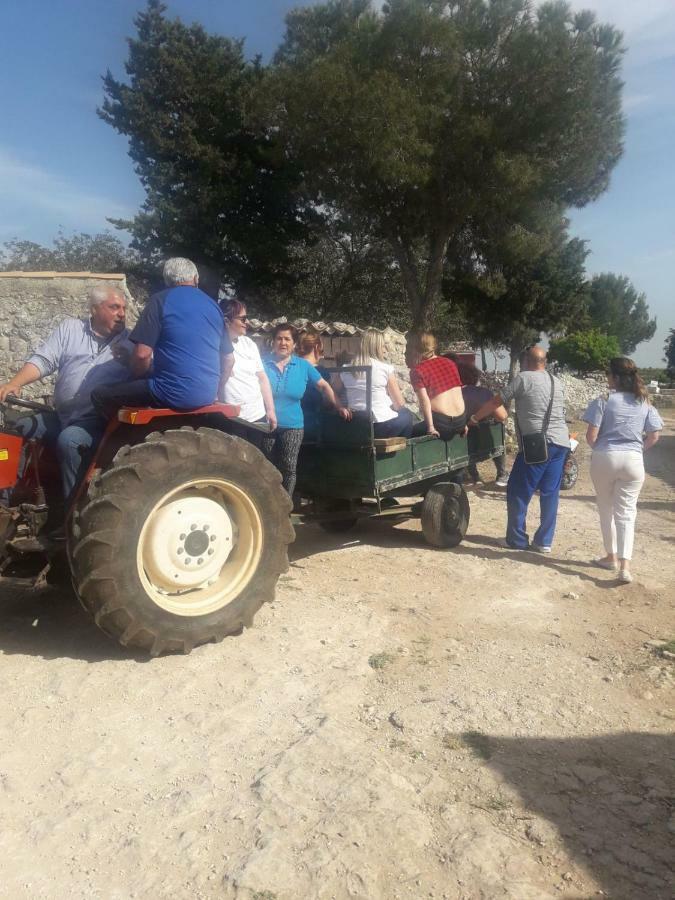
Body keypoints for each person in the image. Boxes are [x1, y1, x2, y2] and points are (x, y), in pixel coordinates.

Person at [0, 286, 131, 500]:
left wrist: (132, 362)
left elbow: (144, 372)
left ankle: (72, 516)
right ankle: (6, 502)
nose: (122, 313)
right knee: (17, 429)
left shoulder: (131, 343)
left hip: (98, 423)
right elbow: (44, 360)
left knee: (69, 440)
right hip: (63, 416)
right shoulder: (70, 329)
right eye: (115, 307)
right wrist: (15, 382)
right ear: (95, 309)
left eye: (123, 308)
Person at [91, 257, 234, 418]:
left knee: (100, 395)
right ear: (195, 279)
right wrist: (215, 390)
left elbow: (142, 354)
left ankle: (114, 441)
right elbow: (229, 360)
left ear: (167, 280)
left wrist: (133, 377)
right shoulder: (213, 306)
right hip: (207, 395)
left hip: (169, 393)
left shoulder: (160, 300)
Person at [470, 346, 570, 552]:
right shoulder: (556, 381)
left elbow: (496, 401)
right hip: (561, 442)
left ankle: (516, 539)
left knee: (518, 489)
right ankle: (544, 541)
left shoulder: (523, 378)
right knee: (550, 493)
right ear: (544, 361)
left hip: (537, 444)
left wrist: (474, 418)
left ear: (526, 361)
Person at [582, 357, 663, 583]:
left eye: (609, 374)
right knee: (627, 512)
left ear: (615, 377)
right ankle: (625, 566)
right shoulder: (644, 402)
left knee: (606, 508)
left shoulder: (604, 400)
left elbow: (591, 436)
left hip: (605, 456)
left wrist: (601, 451)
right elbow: (654, 435)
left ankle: (611, 557)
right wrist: (637, 450)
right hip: (633, 460)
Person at [261, 324, 350, 496]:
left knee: (288, 467)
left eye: (287, 339)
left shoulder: (303, 366)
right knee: (266, 466)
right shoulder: (262, 364)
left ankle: (284, 506)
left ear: (294, 344)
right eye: (279, 338)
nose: (283, 342)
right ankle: (267, 504)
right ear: (273, 341)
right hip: (266, 425)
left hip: (293, 425)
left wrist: (338, 406)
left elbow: (324, 386)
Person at [334, 329, 413, 438]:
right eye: (382, 346)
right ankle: (400, 450)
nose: (384, 349)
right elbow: (399, 404)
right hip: (380, 426)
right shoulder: (385, 368)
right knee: (407, 414)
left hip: (355, 424)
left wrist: (340, 407)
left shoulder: (344, 369)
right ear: (375, 347)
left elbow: (332, 392)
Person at [219, 299, 276, 444]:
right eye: (243, 318)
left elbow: (262, 378)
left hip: (256, 415)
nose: (247, 322)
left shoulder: (249, 344)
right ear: (227, 320)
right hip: (232, 418)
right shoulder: (214, 345)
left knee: (256, 461)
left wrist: (270, 410)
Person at [454, 358, 508, 485]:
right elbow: (502, 415)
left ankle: (475, 476)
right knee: (497, 429)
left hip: (465, 440)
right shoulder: (485, 393)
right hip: (486, 440)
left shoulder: (456, 394)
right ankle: (501, 473)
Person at [407, 333, 466, 439]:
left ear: (415, 349)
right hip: (460, 421)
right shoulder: (450, 363)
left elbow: (425, 402)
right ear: (434, 346)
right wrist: (463, 423)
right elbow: (458, 393)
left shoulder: (417, 371)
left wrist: (430, 427)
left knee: (409, 431)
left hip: (442, 424)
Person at [298, 330, 332, 440]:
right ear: (316, 347)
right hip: (313, 428)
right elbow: (328, 401)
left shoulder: (291, 368)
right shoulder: (321, 372)